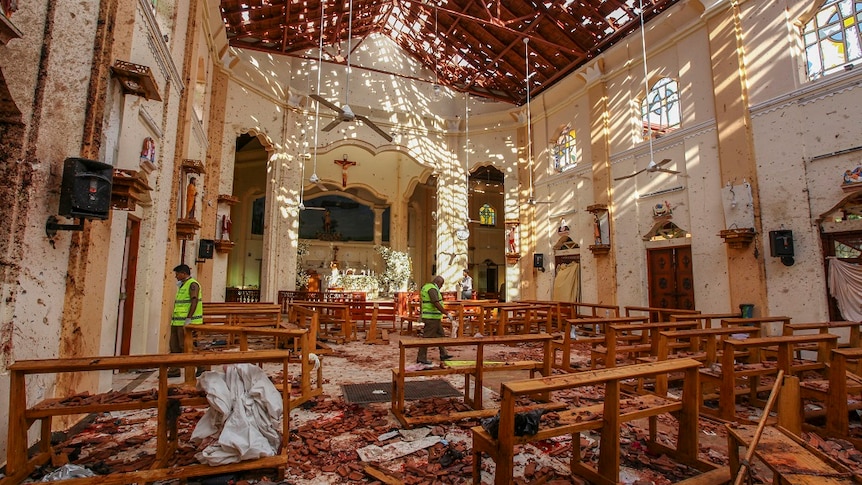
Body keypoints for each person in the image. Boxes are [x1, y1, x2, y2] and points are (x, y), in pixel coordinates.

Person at [168, 264, 203, 377]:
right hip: (177, 321)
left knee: (186, 345)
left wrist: (188, 319)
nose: (176, 276)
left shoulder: (192, 284)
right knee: (174, 346)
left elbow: (194, 301)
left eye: (177, 274)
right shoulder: (182, 286)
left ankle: (201, 366)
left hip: (186, 322)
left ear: (183, 273)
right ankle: (174, 369)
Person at [417, 275, 454, 364]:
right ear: (438, 283)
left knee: (440, 335)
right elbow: (435, 302)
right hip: (431, 318)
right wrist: (447, 313)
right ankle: (421, 358)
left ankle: (443, 354)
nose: (441, 287)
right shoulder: (432, 289)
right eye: (441, 285)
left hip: (434, 317)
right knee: (427, 338)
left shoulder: (427, 287)